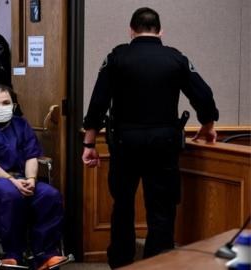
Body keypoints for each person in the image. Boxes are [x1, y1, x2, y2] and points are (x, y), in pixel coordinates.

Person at [81, 7, 219, 269]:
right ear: (160, 31)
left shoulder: (117, 57)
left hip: (125, 144)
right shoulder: (176, 59)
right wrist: (208, 125)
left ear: (131, 30)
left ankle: (121, 262)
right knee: (162, 209)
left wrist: (89, 143)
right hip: (163, 145)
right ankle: (157, 263)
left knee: (122, 205)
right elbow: (203, 94)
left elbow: (98, 102)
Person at [0, 84, 68, 270]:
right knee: (10, 195)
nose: (0, 106)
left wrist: (31, 180)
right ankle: (13, 254)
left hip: (23, 176)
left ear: (13, 106)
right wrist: (12, 181)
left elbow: (31, 155)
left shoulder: (21, 125)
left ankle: (45, 255)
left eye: (6, 102)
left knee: (50, 195)